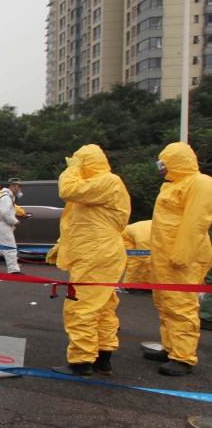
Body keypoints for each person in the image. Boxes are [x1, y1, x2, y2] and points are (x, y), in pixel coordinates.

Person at [47, 144, 130, 377]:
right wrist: (61, 247)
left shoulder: (107, 181)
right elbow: (82, 223)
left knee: (80, 306)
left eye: (76, 162)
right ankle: (103, 358)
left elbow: (67, 190)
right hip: (98, 254)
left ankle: (81, 361)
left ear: (84, 163)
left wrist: (72, 170)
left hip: (96, 256)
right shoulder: (98, 186)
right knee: (102, 307)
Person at [144, 143, 212, 376]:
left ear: (177, 161)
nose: (161, 168)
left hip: (183, 259)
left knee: (181, 305)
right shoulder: (173, 186)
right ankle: (171, 348)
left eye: (163, 163)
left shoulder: (200, 183)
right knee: (165, 304)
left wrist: (183, 254)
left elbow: (197, 222)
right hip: (165, 257)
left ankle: (183, 357)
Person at [121, 219, 152, 293]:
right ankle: (130, 286)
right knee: (136, 261)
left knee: (148, 261)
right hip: (127, 239)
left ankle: (145, 285)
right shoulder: (146, 237)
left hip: (139, 234)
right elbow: (145, 255)